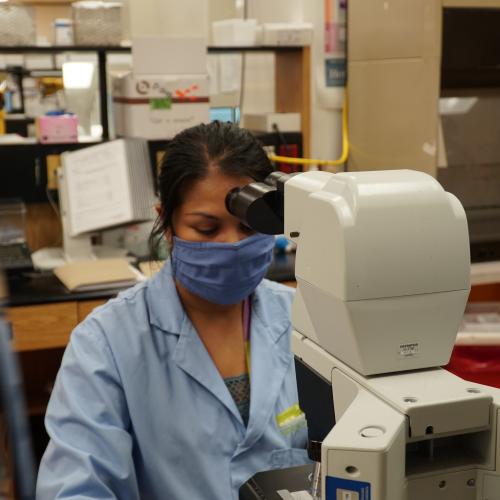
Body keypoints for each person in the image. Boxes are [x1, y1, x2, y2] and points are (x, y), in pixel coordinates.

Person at [36, 122, 309, 500]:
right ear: (168, 224)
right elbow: (75, 488)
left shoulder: (305, 321)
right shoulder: (107, 343)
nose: (231, 244)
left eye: (248, 228)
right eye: (207, 229)